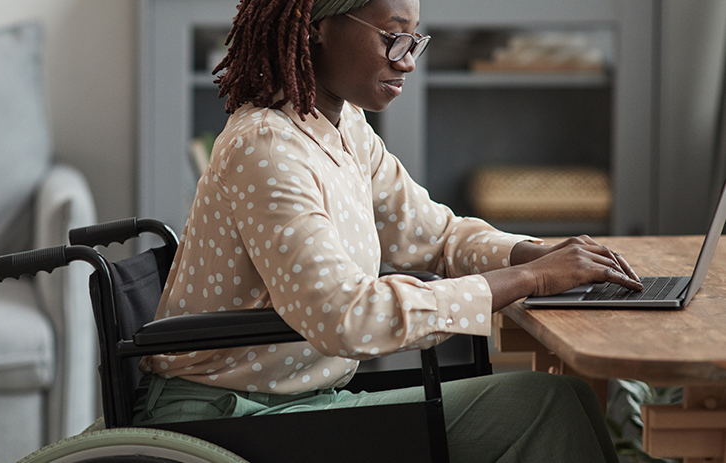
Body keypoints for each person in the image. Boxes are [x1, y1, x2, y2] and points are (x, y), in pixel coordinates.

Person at [133, 0, 642, 461]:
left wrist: (538, 255)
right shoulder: (266, 147)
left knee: (563, 398)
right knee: (545, 407)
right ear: (316, 27)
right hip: (231, 417)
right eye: (392, 37)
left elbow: (437, 235)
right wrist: (529, 282)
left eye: (415, 40)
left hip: (304, 401)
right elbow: (348, 316)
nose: (408, 61)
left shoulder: (346, 128)